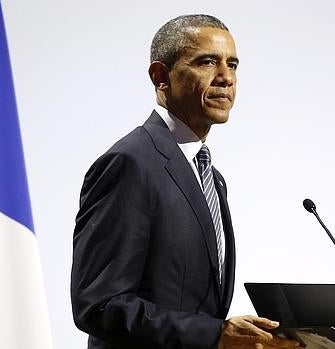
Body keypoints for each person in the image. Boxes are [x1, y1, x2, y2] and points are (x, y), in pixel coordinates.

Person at [70, 14, 300, 349]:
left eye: (232, 65)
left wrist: (228, 331)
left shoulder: (211, 177)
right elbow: (99, 304)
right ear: (160, 76)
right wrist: (213, 334)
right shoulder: (130, 164)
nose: (225, 78)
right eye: (208, 62)